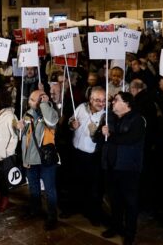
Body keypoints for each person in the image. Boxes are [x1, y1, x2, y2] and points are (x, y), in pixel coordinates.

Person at [97, 91, 146, 245]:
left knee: (130, 202)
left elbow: (130, 139)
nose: (112, 102)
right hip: (110, 166)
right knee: (114, 199)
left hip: (128, 168)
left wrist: (110, 135)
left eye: (116, 100)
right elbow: (100, 138)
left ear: (127, 104)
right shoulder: (108, 117)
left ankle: (130, 233)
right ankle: (115, 226)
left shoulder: (137, 120)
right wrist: (101, 132)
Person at [16, 89, 60, 230]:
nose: (29, 102)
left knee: (49, 190)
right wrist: (19, 128)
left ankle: (52, 216)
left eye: (33, 100)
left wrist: (45, 103)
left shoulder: (51, 112)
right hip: (31, 158)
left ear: (42, 100)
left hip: (46, 160)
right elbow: (23, 137)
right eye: (30, 99)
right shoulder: (28, 113)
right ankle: (35, 210)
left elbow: (51, 121)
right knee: (33, 188)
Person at [69, 86, 106, 225]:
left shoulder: (105, 116)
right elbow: (71, 120)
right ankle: (74, 208)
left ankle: (93, 214)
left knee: (93, 188)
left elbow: (100, 139)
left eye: (103, 100)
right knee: (75, 182)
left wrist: (94, 132)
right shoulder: (81, 107)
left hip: (92, 157)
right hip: (76, 152)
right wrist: (72, 125)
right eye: (97, 100)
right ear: (90, 99)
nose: (101, 103)